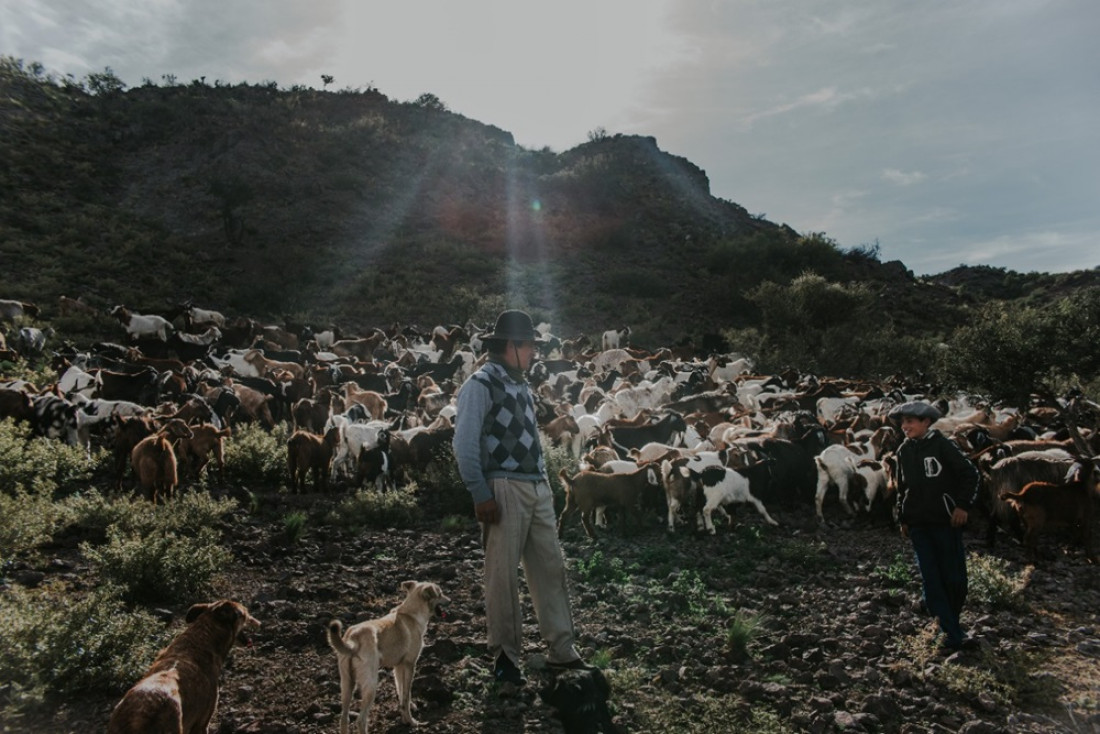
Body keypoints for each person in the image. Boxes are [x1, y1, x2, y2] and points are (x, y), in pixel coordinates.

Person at [452, 309, 587, 686]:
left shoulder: (522, 387)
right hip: (503, 486)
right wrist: (480, 491)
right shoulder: (480, 385)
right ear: (510, 346)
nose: (533, 353)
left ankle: (562, 650)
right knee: (502, 576)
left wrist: (544, 483)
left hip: (534, 485)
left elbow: (533, 442)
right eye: (528, 346)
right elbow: (464, 443)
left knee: (551, 569)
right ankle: (506, 657)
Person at [891, 400, 981, 651]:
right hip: (919, 524)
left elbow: (970, 474)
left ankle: (949, 623)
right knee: (931, 579)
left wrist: (962, 506)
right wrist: (903, 517)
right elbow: (902, 487)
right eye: (902, 422)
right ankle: (950, 634)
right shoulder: (903, 451)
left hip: (944, 522)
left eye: (910, 421)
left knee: (954, 579)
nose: (905, 427)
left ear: (926, 422)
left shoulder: (943, 446)